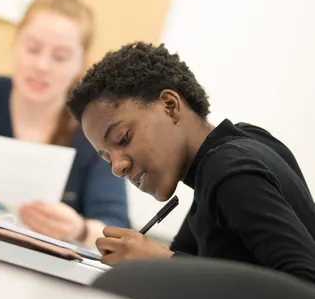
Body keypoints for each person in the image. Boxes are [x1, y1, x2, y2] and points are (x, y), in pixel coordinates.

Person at [66, 42, 315, 284]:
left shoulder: (228, 169)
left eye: (123, 138)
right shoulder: (237, 148)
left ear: (170, 106)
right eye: (107, 157)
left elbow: (306, 284)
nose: (117, 167)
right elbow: (189, 257)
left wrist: (161, 263)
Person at [0, 0, 130, 246]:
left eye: (60, 57)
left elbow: (118, 230)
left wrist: (80, 230)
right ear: (16, 43)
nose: (42, 65)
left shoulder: (97, 129)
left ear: (81, 63)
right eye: (32, 48)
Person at [171, 122, 310, 254]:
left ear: (169, 105)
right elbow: (183, 248)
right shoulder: (252, 137)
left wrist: (168, 258)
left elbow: (305, 273)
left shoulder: (224, 167)